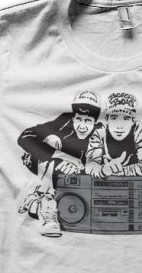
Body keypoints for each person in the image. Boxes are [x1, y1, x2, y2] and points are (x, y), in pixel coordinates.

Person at [17, 90, 101, 236]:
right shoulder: (64, 122)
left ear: (95, 122)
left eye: (88, 121)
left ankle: (34, 197)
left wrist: (78, 166)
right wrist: (60, 153)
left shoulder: (101, 133)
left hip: (76, 175)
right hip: (44, 164)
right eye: (78, 119)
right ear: (73, 118)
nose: (82, 126)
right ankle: (47, 212)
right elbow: (24, 137)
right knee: (53, 151)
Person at [85, 92, 142, 178]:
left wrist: (115, 171)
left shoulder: (140, 131)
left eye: (126, 118)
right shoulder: (99, 134)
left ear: (133, 121)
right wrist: (104, 170)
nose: (119, 126)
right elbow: (90, 166)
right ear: (106, 120)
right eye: (114, 118)